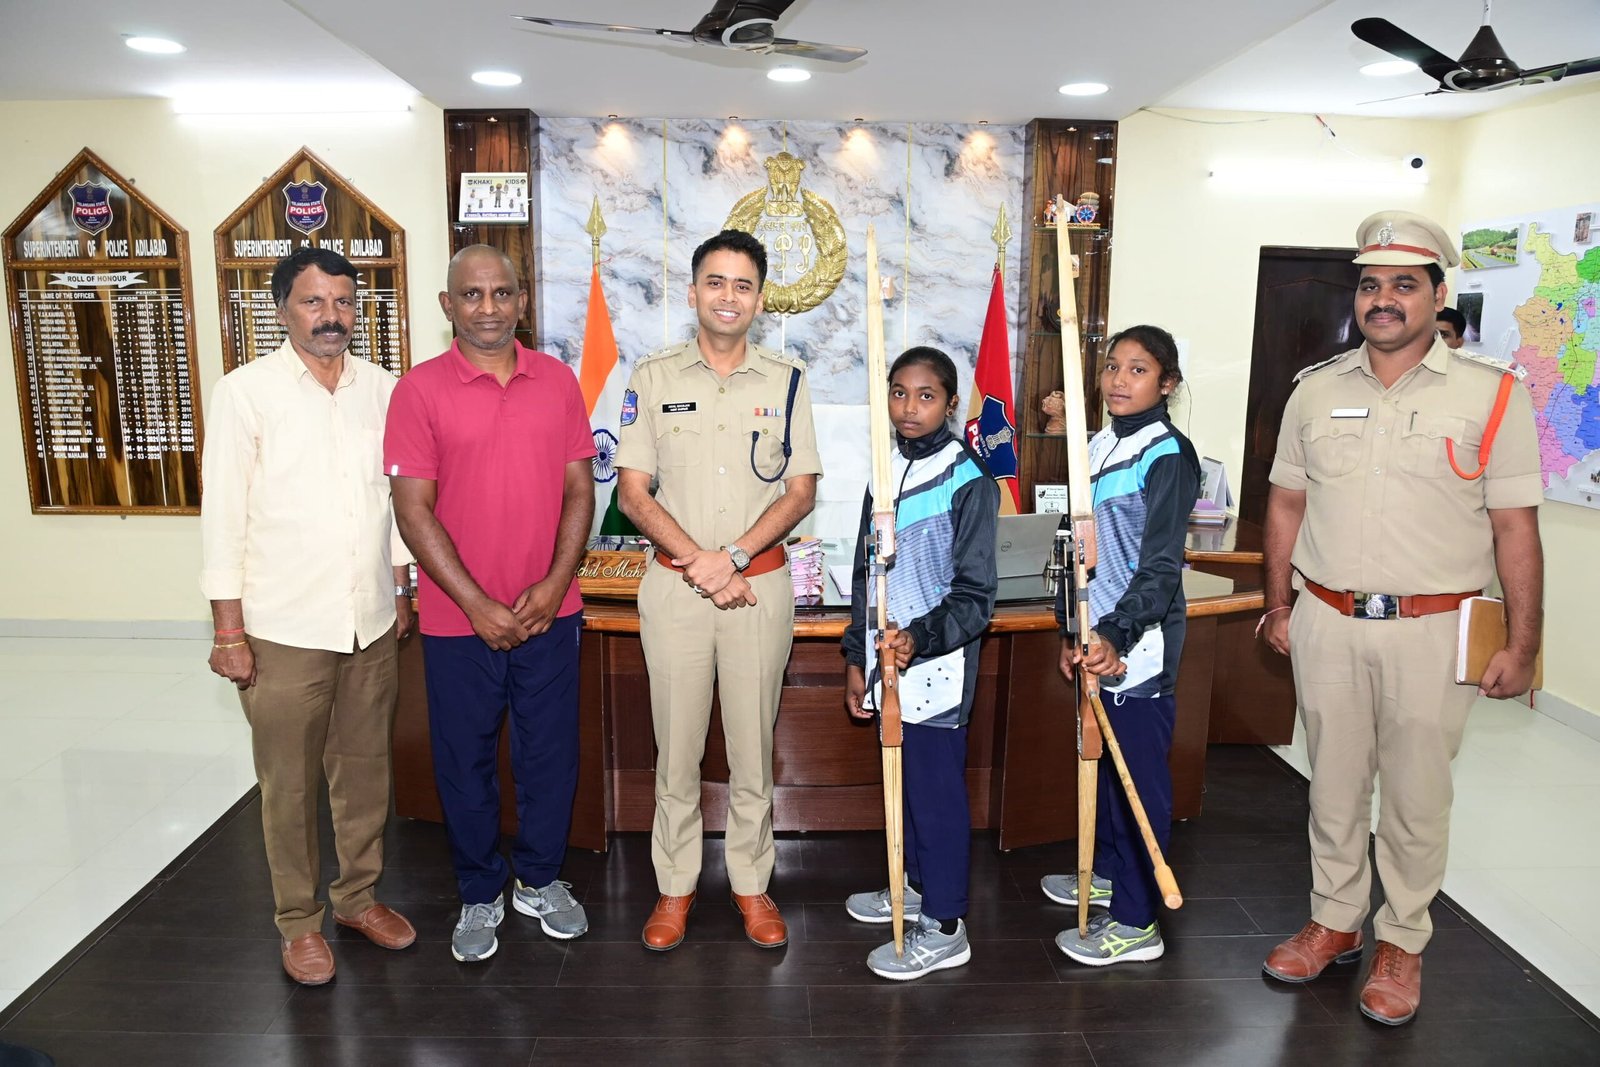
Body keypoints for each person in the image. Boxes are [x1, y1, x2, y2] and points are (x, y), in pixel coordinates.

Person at [1259, 210, 1543, 1026]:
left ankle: (1402, 940)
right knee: (1333, 785)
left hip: (1434, 630)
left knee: (1417, 798)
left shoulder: (1493, 395)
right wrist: (1279, 603)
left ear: (1438, 295)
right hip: (1328, 620)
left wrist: (1524, 644)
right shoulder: (1315, 390)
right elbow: (1285, 504)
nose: (1383, 299)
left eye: (1404, 284)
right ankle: (1335, 920)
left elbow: (1515, 528)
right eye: (1371, 284)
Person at [200, 246, 417, 986]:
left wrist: (401, 588)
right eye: (313, 301)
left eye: (344, 301)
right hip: (282, 626)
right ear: (282, 310)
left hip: (369, 620)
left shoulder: (382, 388)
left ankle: (358, 898)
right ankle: (298, 922)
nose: (332, 316)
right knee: (289, 784)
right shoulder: (245, 393)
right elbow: (223, 517)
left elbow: (394, 499)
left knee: (365, 772)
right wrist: (228, 629)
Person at [385, 245, 595, 963]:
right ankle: (479, 890)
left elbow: (579, 489)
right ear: (448, 305)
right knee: (463, 761)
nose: (488, 308)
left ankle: (540, 879)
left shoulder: (557, 380)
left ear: (521, 302)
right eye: (471, 295)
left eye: (501, 293)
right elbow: (413, 511)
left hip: (550, 613)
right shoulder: (418, 391)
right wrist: (476, 603)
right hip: (457, 620)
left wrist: (555, 582)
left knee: (549, 756)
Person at [614, 229, 821, 951]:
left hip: (758, 591)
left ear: (759, 299)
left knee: (752, 749)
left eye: (742, 285)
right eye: (715, 281)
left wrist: (730, 557)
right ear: (693, 291)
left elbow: (800, 492)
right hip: (675, 593)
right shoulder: (653, 377)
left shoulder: (787, 379)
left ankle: (751, 883)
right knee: (675, 750)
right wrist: (699, 563)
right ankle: (674, 886)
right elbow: (633, 492)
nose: (728, 296)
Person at [1042, 324, 1201, 968]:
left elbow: (1160, 567)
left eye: (1138, 370)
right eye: (1113, 366)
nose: (1119, 379)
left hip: (1138, 642)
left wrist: (1113, 634)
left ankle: (1138, 921)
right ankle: (1109, 873)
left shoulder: (1167, 454)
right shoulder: (1100, 443)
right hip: (1096, 636)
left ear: (1167, 384)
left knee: (1137, 776)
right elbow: (1075, 549)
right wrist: (1071, 629)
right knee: (1108, 764)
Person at [841, 346, 999, 980]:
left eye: (926, 395)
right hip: (886, 659)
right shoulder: (885, 472)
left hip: (937, 664)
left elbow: (975, 596)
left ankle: (946, 923)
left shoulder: (969, 479)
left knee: (935, 795)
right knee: (902, 786)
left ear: (951, 403)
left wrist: (919, 638)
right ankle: (909, 885)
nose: (910, 407)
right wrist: (857, 656)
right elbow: (865, 575)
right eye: (899, 393)